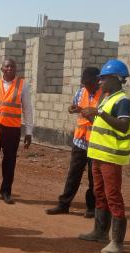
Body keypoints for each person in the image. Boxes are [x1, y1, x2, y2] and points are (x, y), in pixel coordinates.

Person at [78, 59, 130, 253]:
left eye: (104, 79)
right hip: (97, 154)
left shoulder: (122, 101)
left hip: (111, 157)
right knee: (99, 193)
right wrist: (89, 114)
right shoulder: (108, 98)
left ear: (116, 79)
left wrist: (99, 112)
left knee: (113, 196)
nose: (100, 82)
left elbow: (123, 125)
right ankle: (99, 232)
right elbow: (103, 123)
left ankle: (117, 242)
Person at [46, 67, 102, 218]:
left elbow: (103, 119)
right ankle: (64, 204)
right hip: (80, 141)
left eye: (89, 83)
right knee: (73, 175)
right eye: (84, 83)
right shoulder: (81, 92)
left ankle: (91, 208)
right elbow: (74, 107)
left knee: (93, 178)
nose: (86, 86)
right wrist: (73, 109)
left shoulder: (104, 95)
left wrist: (83, 110)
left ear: (98, 81)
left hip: (96, 142)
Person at [0, 59, 34, 204]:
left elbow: (27, 109)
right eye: (7, 66)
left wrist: (29, 132)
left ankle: (6, 191)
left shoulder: (22, 85)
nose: (9, 68)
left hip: (12, 130)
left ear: (16, 69)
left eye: (12, 66)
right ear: (1, 68)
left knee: (9, 161)